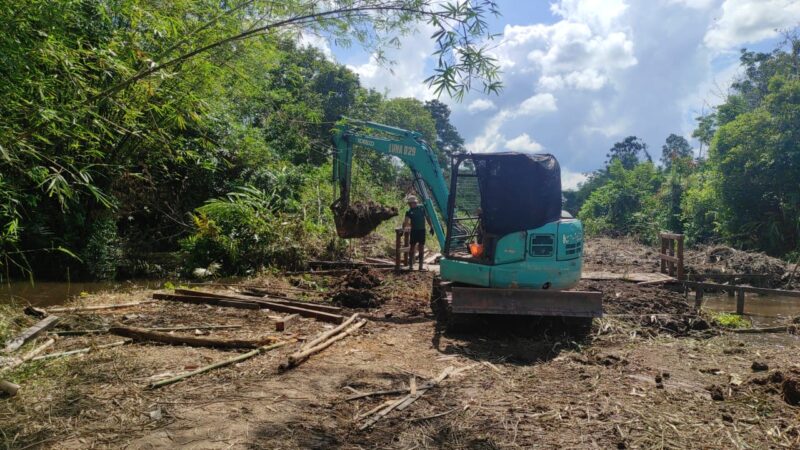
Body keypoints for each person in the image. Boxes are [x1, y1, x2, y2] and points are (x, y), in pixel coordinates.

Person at [402, 195, 433, 271]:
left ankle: (421, 266)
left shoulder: (422, 208)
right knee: (412, 247)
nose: (409, 205)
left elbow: (427, 217)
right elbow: (405, 222)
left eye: (410, 203)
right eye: (409, 203)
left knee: (421, 247)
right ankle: (411, 266)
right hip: (414, 231)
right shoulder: (409, 212)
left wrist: (431, 227)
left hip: (422, 231)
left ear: (414, 202)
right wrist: (403, 230)